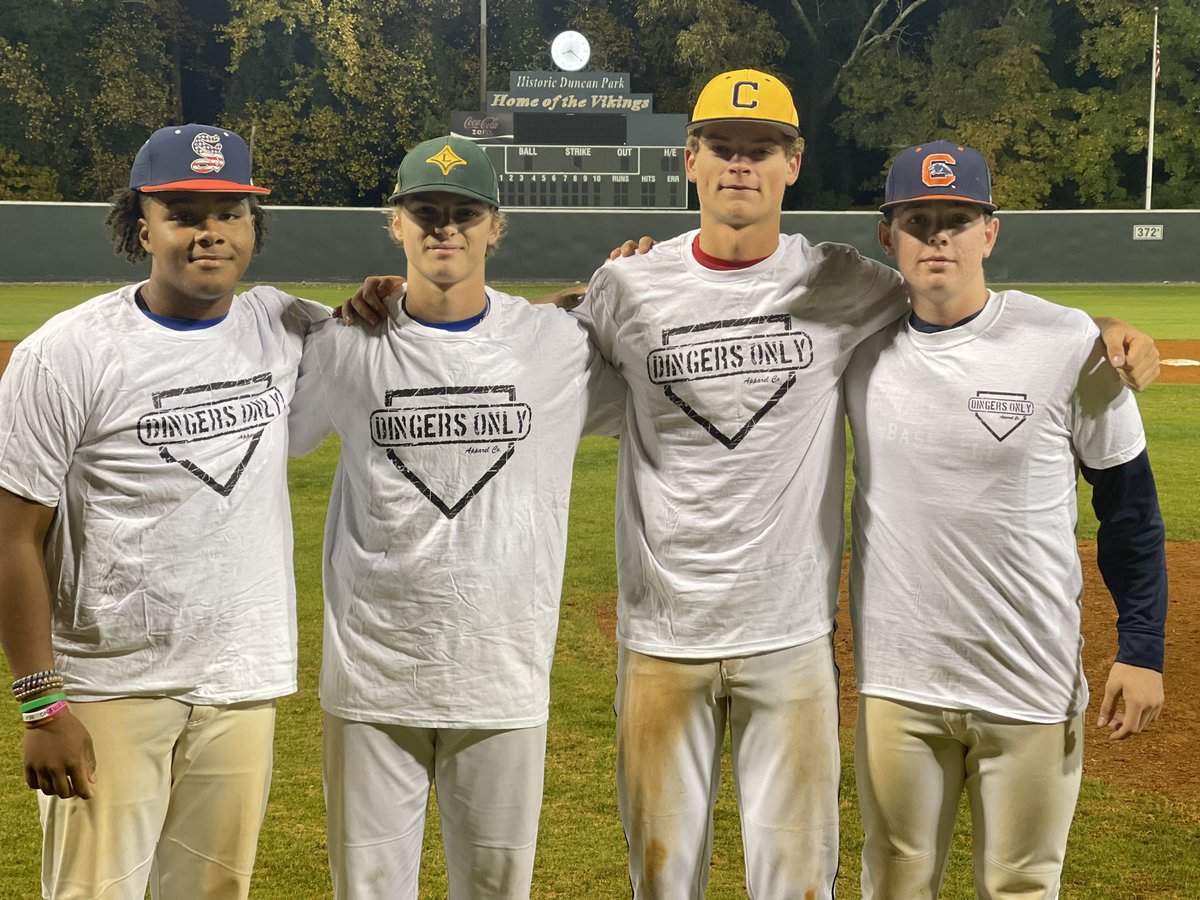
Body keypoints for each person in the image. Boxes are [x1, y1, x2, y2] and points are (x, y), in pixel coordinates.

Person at [572, 73, 1160, 899]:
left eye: (763, 149)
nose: (743, 165)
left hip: (796, 638)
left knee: (810, 881)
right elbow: (537, 358)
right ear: (690, 159)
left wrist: (1103, 330)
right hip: (670, 633)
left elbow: (985, 323)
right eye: (725, 148)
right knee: (670, 880)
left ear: (794, 164)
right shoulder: (629, 286)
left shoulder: (843, 283)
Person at [287, 135, 624, 899]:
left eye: (464, 213)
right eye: (426, 212)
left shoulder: (557, 345)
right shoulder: (343, 344)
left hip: (502, 677)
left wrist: (625, 288)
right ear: (395, 225)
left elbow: (663, 389)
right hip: (373, 683)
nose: (446, 228)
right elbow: (272, 429)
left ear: (495, 226)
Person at [0, 123, 329, 899]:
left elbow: (416, 336)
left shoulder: (280, 325)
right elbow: (13, 536)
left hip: (241, 683)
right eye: (183, 212)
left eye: (230, 212)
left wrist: (549, 313)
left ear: (253, 227)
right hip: (112, 689)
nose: (210, 231)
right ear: (141, 224)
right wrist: (43, 705)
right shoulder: (69, 351)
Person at [844, 141, 1167, 899]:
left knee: (1021, 887)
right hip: (899, 685)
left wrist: (1143, 647)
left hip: (1028, 681)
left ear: (991, 231)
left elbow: (1130, 509)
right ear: (886, 235)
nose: (938, 236)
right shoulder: (855, 346)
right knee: (891, 881)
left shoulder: (1068, 346)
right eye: (917, 220)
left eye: (957, 219)